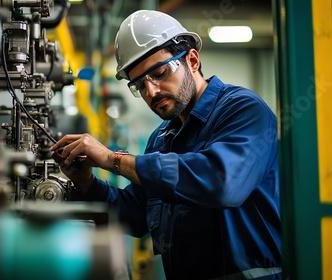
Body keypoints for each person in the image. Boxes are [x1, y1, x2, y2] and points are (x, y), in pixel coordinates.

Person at [50, 9, 281, 280]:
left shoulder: (242, 110)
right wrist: (86, 183)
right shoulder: (162, 138)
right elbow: (136, 215)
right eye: (139, 85)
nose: (151, 92)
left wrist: (114, 159)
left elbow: (223, 183)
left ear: (192, 60)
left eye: (159, 73)